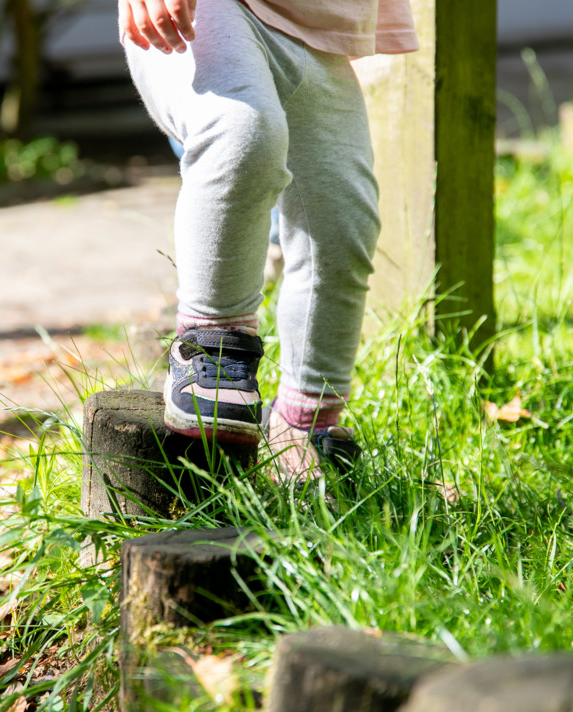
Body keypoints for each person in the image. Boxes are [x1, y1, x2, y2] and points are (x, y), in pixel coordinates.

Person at [120, 0, 418, 480]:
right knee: (241, 132)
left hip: (320, 24)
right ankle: (212, 344)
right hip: (204, 11)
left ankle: (304, 419)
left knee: (342, 220)